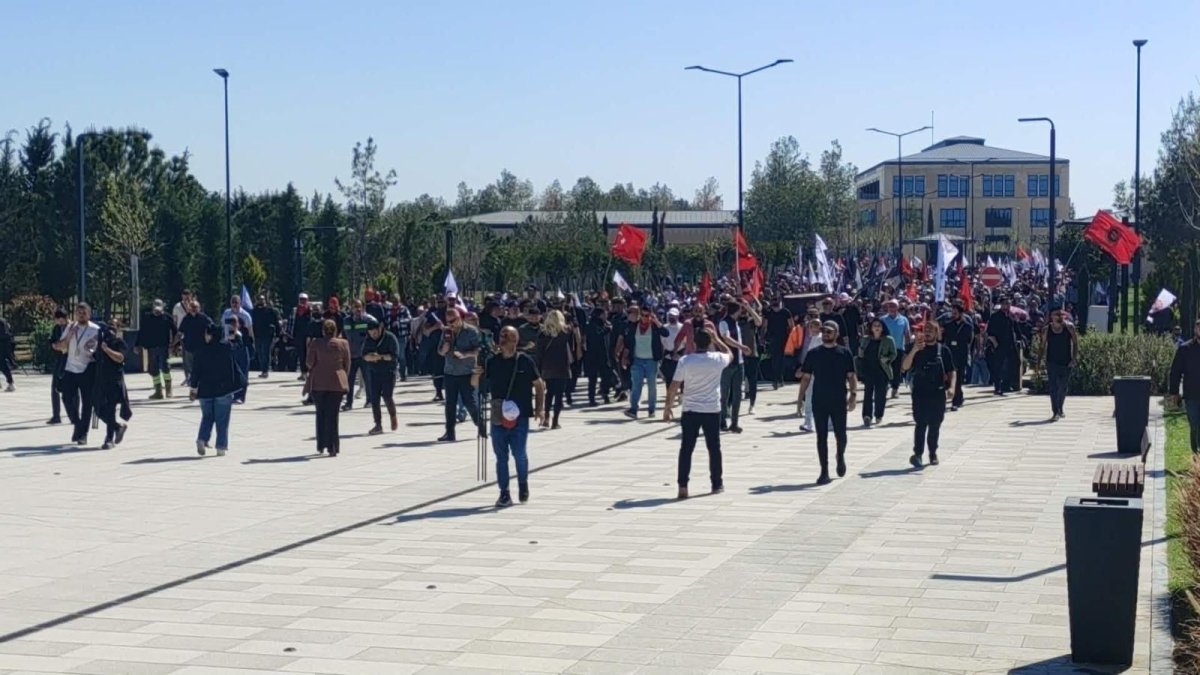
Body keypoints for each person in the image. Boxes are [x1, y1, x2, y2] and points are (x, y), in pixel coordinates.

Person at [476, 325, 545, 507]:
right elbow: (477, 385)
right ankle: (504, 492)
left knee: (519, 454)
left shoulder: (525, 361)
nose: (503, 339)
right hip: (498, 415)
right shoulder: (492, 361)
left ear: (515, 340)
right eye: (501, 336)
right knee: (501, 457)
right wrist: (476, 376)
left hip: (520, 415)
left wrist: (540, 408)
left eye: (507, 336)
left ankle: (523, 484)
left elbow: (539, 385)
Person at [664, 327, 732, 499]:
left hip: (690, 409)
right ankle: (717, 483)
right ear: (709, 343)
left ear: (693, 343)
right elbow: (730, 354)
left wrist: (667, 407)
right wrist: (717, 339)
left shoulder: (686, 360)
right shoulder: (717, 358)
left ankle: (683, 485)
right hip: (711, 409)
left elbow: (674, 385)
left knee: (686, 448)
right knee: (714, 447)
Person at [796, 321, 857, 485]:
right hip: (819, 399)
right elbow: (806, 377)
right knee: (821, 436)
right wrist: (800, 399)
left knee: (841, 435)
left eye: (829, 332)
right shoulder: (814, 353)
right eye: (823, 332)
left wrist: (853, 395)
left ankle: (840, 455)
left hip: (838, 400)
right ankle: (824, 471)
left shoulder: (844, 353)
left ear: (836, 333)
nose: (825, 334)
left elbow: (851, 376)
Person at [903, 321, 955, 468]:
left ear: (937, 333)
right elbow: (905, 366)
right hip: (920, 393)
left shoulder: (943, 350)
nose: (927, 332)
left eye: (931, 330)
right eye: (925, 330)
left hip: (937, 392)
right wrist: (914, 350)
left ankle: (933, 453)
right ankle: (918, 454)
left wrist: (951, 387)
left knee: (935, 425)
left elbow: (952, 371)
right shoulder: (916, 348)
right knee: (920, 424)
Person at [188, 323, 242, 456]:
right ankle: (221, 446)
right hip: (223, 389)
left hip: (205, 389)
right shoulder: (226, 348)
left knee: (207, 417)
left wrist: (193, 389)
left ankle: (202, 438)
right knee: (222, 419)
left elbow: (195, 372)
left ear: (210, 335)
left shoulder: (200, 351)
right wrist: (237, 335)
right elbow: (240, 348)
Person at [54, 303, 101, 445]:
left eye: (84, 312)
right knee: (67, 398)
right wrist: (69, 335)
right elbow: (60, 347)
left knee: (87, 403)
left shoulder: (95, 329)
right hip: (70, 368)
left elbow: (100, 350)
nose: (81, 315)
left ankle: (83, 434)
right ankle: (77, 423)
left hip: (87, 369)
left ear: (89, 314)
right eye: (78, 312)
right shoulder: (71, 327)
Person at [438, 307, 482, 442]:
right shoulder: (446, 332)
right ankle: (449, 432)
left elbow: (479, 349)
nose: (451, 324)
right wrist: (443, 350)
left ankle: (481, 427)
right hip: (450, 372)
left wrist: (465, 354)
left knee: (470, 403)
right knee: (450, 404)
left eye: (454, 320)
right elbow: (439, 351)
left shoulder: (471, 331)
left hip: (466, 372)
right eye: (448, 321)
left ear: (460, 318)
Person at [307, 319, 350, 456]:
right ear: (336, 330)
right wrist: (343, 376)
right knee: (333, 415)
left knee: (321, 414)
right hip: (337, 383)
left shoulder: (316, 343)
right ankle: (333, 447)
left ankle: (321, 445)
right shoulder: (344, 343)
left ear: (323, 330)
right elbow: (347, 364)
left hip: (319, 383)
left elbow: (309, 363)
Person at [620, 305, 669, 420]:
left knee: (652, 386)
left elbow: (666, 333)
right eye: (642, 315)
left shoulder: (655, 327)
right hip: (637, 360)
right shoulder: (634, 326)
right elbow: (628, 343)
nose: (644, 318)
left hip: (651, 360)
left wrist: (657, 321)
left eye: (647, 315)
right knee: (636, 385)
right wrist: (624, 357)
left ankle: (651, 409)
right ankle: (633, 409)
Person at [92, 320, 129, 450]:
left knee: (110, 409)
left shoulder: (119, 343)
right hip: (100, 380)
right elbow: (94, 358)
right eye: (108, 326)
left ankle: (109, 439)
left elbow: (120, 358)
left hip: (114, 380)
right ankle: (117, 427)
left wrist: (107, 350)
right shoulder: (100, 343)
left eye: (113, 326)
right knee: (98, 409)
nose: (110, 329)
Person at [855, 318, 896, 427]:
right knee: (867, 393)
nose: (877, 327)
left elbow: (894, 354)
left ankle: (878, 415)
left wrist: (887, 359)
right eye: (874, 326)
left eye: (879, 326)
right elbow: (860, 351)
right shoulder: (865, 339)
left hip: (882, 370)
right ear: (871, 328)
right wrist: (860, 353)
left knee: (880, 394)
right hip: (868, 369)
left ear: (882, 328)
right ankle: (866, 416)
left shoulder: (888, 339)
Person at [536, 309, 573, 429]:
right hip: (562, 366)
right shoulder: (565, 332)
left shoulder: (543, 334)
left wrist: (539, 367)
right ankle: (555, 421)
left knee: (549, 393)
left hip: (548, 367)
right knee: (559, 395)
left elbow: (539, 353)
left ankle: (546, 417)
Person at [718, 302, 751, 433]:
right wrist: (741, 347)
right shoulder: (724, 323)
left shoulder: (736, 323)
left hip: (739, 362)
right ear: (735, 311)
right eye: (740, 310)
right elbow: (726, 338)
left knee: (737, 394)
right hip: (727, 363)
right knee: (724, 394)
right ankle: (722, 421)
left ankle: (734, 422)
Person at [1040, 305, 1079, 420]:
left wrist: (1074, 358)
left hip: (1066, 362)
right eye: (1056, 315)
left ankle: (1060, 407)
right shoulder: (1047, 329)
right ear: (1051, 316)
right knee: (1053, 387)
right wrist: (1039, 363)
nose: (1059, 317)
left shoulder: (1069, 327)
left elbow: (1076, 343)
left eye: (1061, 314)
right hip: (1051, 361)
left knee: (1063, 387)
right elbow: (1042, 346)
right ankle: (1055, 411)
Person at [363, 317, 399, 435]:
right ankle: (378, 424)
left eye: (374, 332)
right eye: (370, 333)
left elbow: (394, 357)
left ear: (380, 329)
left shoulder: (390, 338)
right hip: (374, 372)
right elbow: (364, 355)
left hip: (389, 371)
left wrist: (380, 357)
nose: (373, 335)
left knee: (387, 396)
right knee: (374, 399)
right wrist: (369, 357)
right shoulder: (368, 340)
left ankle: (393, 416)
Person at [137, 299, 177, 399]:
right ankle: (158, 391)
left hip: (163, 346)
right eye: (155, 310)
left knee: (165, 367)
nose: (157, 312)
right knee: (153, 369)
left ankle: (168, 390)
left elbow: (175, 331)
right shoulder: (147, 318)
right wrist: (137, 345)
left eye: (159, 310)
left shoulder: (167, 317)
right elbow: (141, 332)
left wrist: (175, 345)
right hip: (151, 347)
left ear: (162, 307)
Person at [1170, 319, 1200, 454]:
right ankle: (1196, 455)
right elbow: (1175, 372)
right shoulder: (1185, 349)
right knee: (1195, 425)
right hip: (1191, 395)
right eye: (1199, 327)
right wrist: (1175, 393)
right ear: (1195, 329)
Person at [941, 303, 974, 411]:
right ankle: (957, 396)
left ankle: (956, 401)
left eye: (955, 313)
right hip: (950, 354)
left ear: (961, 313)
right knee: (948, 379)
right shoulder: (948, 325)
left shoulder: (967, 326)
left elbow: (970, 340)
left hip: (961, 354)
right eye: (952, 312)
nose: (953, 314)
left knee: (958, 378)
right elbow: (942, 339)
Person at [343, 300, 373, 411]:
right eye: (355, 307)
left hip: (364, 355)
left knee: (367, 378)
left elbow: (376, 334)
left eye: (360, 307)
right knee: (349, 380)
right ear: (351, 308)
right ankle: (348, 403)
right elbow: (343, 337)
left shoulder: (368, 320)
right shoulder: (346, 321)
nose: (358, 309)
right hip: (351, 355)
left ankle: (370, 400)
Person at [987, 297, 1018, 396]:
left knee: (1016, 362)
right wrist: (995, 344)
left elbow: (1014, 330)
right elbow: (990, 332)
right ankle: (998, 388)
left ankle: (1007, 385)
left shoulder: (1010, 316)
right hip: (999, 345)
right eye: (1005, 304)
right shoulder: (995, 316)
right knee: (998, 367)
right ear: (1001, 304)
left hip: (1010, 345)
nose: (1007, 306)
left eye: (1009, 304)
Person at [880, 300, 911, 398]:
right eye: (889, 306)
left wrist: (908, 349)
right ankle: (884, 387)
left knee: (897, 370)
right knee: (884, 369)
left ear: (897, 308)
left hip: (898, 348)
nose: (891, 308)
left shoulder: (904, 320)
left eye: (893, 306)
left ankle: (895, 389)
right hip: (885, 349)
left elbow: (907, 335)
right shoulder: (882, 319)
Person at [584, 308, 614, 406]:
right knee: (593, 379)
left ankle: (605, 395)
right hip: (594, 355)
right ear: (599, 315)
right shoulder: (591, 325)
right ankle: (591, 399)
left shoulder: (603, 324)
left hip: (602, 355)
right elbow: (597, 336)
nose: (606, 316)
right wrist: (607, 329)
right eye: (604, 314)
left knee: (606, 376)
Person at [764, 296, 794, 390]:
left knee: (781, 360)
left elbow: (791, 325)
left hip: (784, 339)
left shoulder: (786, 312)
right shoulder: (768, 313)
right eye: (773, 300)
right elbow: (764, 326)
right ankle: (775, 380)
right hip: (772, 339)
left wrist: (791, 338)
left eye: (776, 300)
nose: (775, 302)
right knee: (774, 360)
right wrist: (762, 337)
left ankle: (780, 378)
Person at [47, 308, 69, 423]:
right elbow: (52, 339)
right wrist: (54, 345)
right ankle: (56, 415)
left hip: (70, 361)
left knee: (72, 389)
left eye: (61, 320)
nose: (60, 322)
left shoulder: (72, 328)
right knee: (54, 387)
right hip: (59, 359)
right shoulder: (56, 328)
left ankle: (73, 415)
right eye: (58, 320)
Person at [251, 295, 280, 378]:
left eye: (262, 299)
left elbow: (276, 323)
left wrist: (277, 334)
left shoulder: (270, 311)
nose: (261, 301)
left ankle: (265, 371)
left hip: (267, 335)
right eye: (259, 299)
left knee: (265, 352)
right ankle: (263, 369)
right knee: (259, 353)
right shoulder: (255, 311)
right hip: (257, 335)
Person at [226, 316, 250, 404]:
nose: (232, 326)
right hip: (233, 356)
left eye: (234, 323)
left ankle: (241, 396)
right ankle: (235, 395)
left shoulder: (240, 333)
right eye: (230, 324)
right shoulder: (227, 333)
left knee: (242, 376)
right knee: (234, 376)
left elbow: (241, 345)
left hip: (242, 355)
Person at [660, 308, 684, 387]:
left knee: (682, 378)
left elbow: (685, 342)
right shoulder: (664, 328)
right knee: (669, 378)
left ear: (677, 316)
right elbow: (662, 342)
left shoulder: (682, 327)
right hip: (668, 356)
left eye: (674, 316)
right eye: (670, 316)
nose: (672, 318)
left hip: (680, 356)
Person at [0, 316, 14, 392]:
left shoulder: (1, 322)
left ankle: (10, 383)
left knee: (2, 364)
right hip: (5, 345)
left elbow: (4, 334)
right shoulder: (3, 321)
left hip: (2, 345)